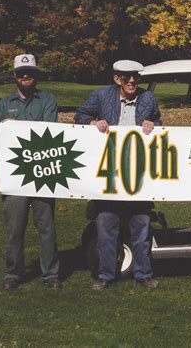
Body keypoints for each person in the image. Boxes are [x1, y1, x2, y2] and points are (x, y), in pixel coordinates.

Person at [74, 60, 161, 290]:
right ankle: (105, 274)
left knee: (141, 226)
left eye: (135, 77)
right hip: (109, 175)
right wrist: (93, 122)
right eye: (126, 77)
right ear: (116, 79)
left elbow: (160, 125)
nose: (131, 81)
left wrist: (154, 124)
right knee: (106, 224)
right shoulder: (101, 96)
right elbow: (80, 115)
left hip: (138, 174)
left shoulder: (148, 99)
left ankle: (144, 274)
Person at [0, 54, 62, 290]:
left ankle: (50, 274)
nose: (26, 76)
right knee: (14, 227)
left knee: (46, 226)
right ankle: (13, 273)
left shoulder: (47, 100)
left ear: (36, 74)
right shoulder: (4, 104)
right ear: (15, 76)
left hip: (42, 170)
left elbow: (48, 131)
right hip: (14, 174)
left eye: (29, 72)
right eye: (21, 73)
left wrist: (14, 127)